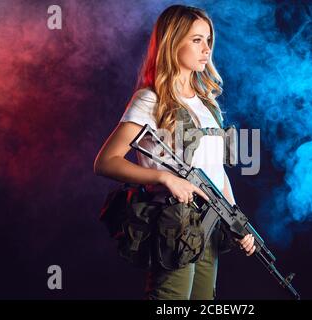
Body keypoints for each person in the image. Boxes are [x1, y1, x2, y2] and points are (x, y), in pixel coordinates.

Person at [94, 4, 255, 300]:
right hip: (174, 225)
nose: (206, 49)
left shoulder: (209, 105)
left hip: (210, 224)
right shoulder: (151, 99)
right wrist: (164, 178)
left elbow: (216, 173)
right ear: (172, 41)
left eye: (208, 40)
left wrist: (236, 220)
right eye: (196, 40)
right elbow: (106, 162)